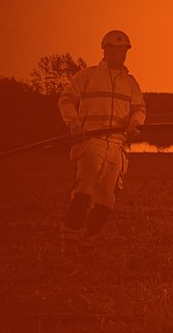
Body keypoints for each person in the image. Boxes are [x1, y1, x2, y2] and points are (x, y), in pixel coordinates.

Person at [57, 30, 146, 253]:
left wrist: (135, 123)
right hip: (91, 142)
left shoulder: (131, 83)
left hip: (116, 145)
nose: (121, 54)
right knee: (84, 191)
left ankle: (89, 238)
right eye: (116, 50)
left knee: (107, 199)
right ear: (105, 50)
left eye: (124, 50)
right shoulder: (87, 76)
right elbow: (66, 100)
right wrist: (74, 125)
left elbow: (140, 109)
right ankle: (70, 239)